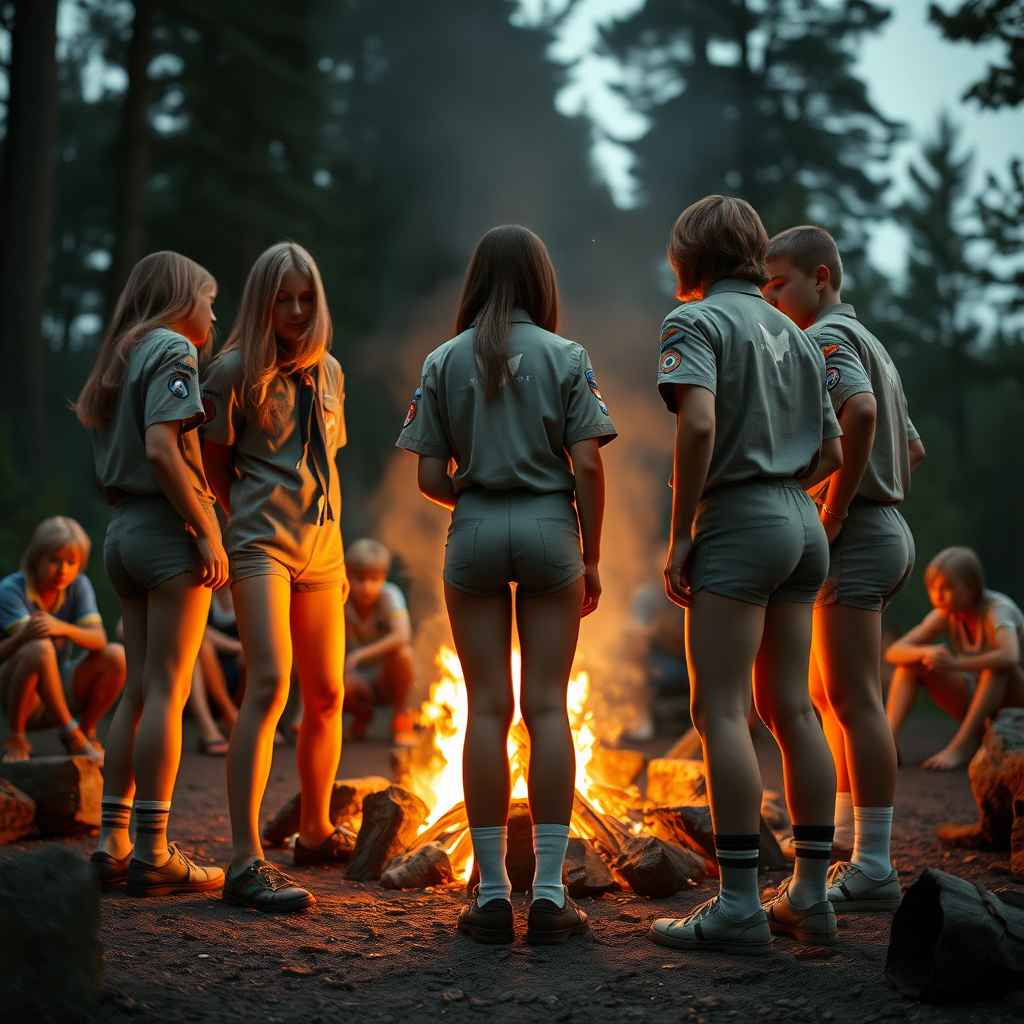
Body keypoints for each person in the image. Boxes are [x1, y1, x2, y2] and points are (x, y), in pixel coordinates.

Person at [397, 225, 615, 945]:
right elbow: (588, 466)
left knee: (486, 710)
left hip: (477, 529)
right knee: (547, 709)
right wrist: (590, 556)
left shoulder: (442, 360)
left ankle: (490, 895)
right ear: (540, 284)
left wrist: (478, 493)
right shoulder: (568, 357)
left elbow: (430, 476)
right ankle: (551, 895)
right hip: (554, 529)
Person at [648, 196, 843, 955]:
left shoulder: (693, 323)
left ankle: (735, 905)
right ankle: (811, 897)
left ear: (687, 261)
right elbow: (829, 450)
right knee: (792, 709)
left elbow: (696, 425)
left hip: (741, 521)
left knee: (721, 712)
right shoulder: (794, 335)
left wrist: (681, 533)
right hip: (801, 520)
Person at [763, 225, 924, 912]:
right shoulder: (875, 345)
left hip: (858, 535)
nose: (769, 296)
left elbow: (855, 416)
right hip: (887, 529)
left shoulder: (826, 340)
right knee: (833, 698)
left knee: (855, 699)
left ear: (821, 277)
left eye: (779, 284)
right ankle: (854, 844)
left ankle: (877, 865)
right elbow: (912, 450)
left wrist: (830, 510)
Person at [202, 241, 352, 913]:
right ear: (262, 304)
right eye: (282, 299)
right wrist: (238, 528)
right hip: (261, 544)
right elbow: (211, 462)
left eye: (306, 298)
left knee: (326, 694)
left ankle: (315, 832)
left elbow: (329, 465)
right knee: (268, 684)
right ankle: (244, 860)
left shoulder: (330, 374)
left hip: (324, 549)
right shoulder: (231, 371)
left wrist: (338, 555)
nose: (295, 311)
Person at [76, 250, 228, 897]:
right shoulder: (173, 350)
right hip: (167, 534)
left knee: (136, 690)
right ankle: (155, 850)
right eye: (208, 299)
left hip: (121, 535)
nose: (214, 313)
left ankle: (113, 843)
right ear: (178, 299)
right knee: (168, 688)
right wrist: (208, 526)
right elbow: (164, 449)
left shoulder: (119, 356)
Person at [0, 517, 125, 763]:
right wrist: (23, 636)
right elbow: (32, 646)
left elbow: (98, 638)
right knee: (38, 646)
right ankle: (17, 738)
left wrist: (61, 627)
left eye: (71, 562)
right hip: (23, 697)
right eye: (54, 560)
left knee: (116, 656)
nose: (62, 570)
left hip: (62, 686)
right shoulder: (11, 590)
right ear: (36, 557)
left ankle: (85, 733)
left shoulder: (78, 585)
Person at [886, 546, 1024, 770]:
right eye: (933, 588)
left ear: (971, 588)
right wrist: (925, 652)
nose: (937, 595)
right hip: (979, 702)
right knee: (911, 664)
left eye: (947, 588)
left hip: (1014, 706)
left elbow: (1010, 656)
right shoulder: (946, 613)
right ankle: (887, 744)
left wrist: (955, 664)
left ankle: (960, 746)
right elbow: (894, 651)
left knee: (996, 666)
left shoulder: (998, 609)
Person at [342, 538, 416, 745]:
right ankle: (362, 715)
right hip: (356, 679)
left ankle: (400, 720)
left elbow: (403, 635)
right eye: (360, 579)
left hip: (387, 677)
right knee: (338, 686)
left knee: (404, 654)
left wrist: (360, 654)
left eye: (374, 579)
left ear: (384, 577)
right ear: (347, 574)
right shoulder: (341, 599)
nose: (367, 587)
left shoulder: (390, 595)